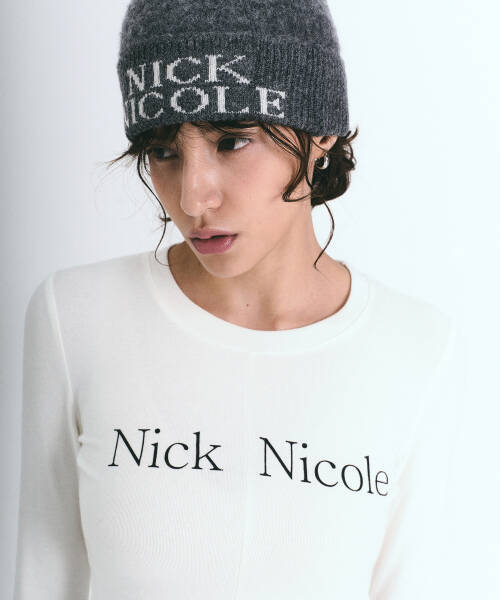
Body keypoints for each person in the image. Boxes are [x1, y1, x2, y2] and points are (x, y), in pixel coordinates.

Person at [13, 1, 468, 599]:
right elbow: (43, 580)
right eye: (163, 151)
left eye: (232, 141)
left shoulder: (415, 347)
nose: (193, 197)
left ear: (320, 132)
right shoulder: (76, 316)